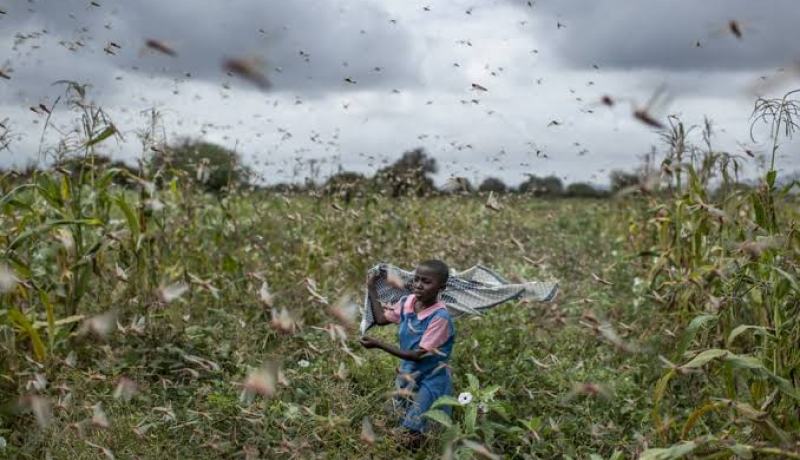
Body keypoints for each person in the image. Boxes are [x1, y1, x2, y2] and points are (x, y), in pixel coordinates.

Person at [359, 259, 456, 445]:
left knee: (414, 427)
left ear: (441, 287)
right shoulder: (408, 302)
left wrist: (379, 344)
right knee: (401, 417)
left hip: (431, 377)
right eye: (416, 279)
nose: (418, 285)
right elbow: (381, 319)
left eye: (426, 282)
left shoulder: (440, 318)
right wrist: (371, 288)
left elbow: (417, 355)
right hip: (408, 373)